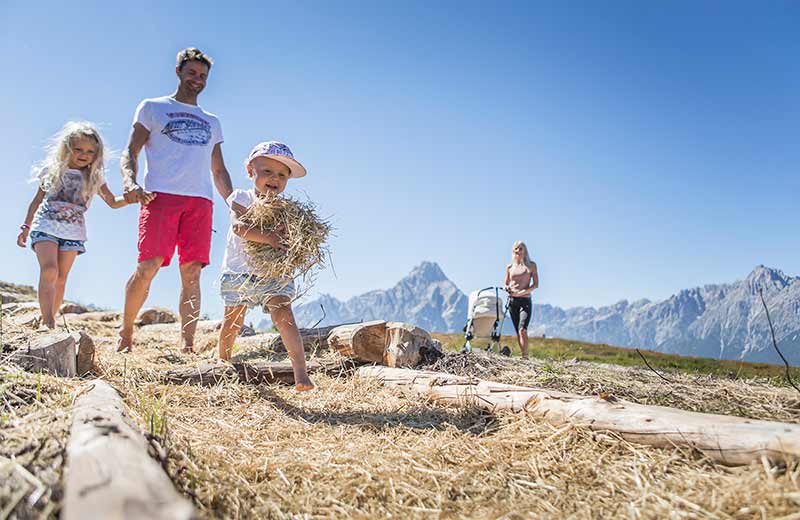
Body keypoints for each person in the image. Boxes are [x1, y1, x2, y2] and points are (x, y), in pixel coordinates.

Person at [118, 47, 233, 353]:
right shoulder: (153, 108)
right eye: (192, 73)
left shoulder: (212, 121)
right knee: (148, 265)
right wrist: (129, 181)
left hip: (200, 201)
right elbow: (131, 151)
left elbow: (219, 169)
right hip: (160, 196)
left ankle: (187, 344)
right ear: (179, 72)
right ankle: (126, 333)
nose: (197, 80)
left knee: (192, 271)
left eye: (203, 76)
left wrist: (234, 203)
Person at [17, 122, 135, 329]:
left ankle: (49, 318)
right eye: (78, 149)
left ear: (96, 155)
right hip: (45, 226)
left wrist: (131, 198)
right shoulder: (53, 171)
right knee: (50, 270)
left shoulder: (94, 177)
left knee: (61, 278)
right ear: (67, 148)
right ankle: (48, 321)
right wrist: (26, 227)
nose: (84, 154)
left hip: (73, 232)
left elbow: (113, 202)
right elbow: (36, 201)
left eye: (90, 151)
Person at [217, 141, 314, 391]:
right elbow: (239, 228)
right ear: (251, 171)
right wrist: (270, 238)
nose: (275, 179)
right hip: (240, 273)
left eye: (282, 175)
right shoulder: (241, 198)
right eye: (268, 171)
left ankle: (301, 374)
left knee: (285, 317)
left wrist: (296, 249)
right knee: (233, 321)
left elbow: (294, 240)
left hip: (274, 275)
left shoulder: (286, 210)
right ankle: (222, 361)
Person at [503, 241, 539, 359]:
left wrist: (524, 292)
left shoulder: (531, 265)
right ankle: (524, 356)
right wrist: (507, 288)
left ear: (525, 251)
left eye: (521, 248)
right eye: (516, 248)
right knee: (518, 330)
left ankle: (525, 356)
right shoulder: (510, 267)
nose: (518, 250)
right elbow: (505, 283)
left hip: (525, 301)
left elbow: (535, 284)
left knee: (523, 329)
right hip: (513, 301)